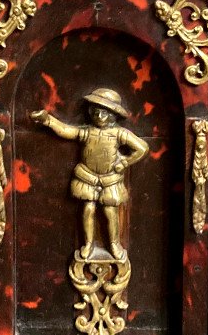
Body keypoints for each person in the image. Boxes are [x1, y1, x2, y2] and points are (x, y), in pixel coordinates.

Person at [32, 87, 148, 261]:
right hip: (88, 176)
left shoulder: (119, 133)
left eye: (104, 113)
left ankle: (114, 244)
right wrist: (48, 120)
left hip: (109, 179)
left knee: (110, 211)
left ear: (114, 114)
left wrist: (124, 162)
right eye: (96, 112)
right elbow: (67, 131)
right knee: (88, 209)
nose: (99, 117)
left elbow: (142, 148)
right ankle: (88, 244)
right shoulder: (88, 131)